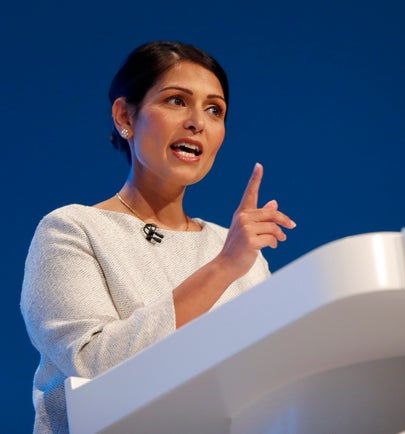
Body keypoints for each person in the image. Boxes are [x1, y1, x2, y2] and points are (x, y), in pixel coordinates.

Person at [20, 40, 296, 434]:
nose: (197, 121)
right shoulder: (72, 229)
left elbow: (277, 379)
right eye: (176, 101)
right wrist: (222, 269)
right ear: (124, 117)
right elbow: (92, 362)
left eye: (214, 109)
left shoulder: (234, 247)